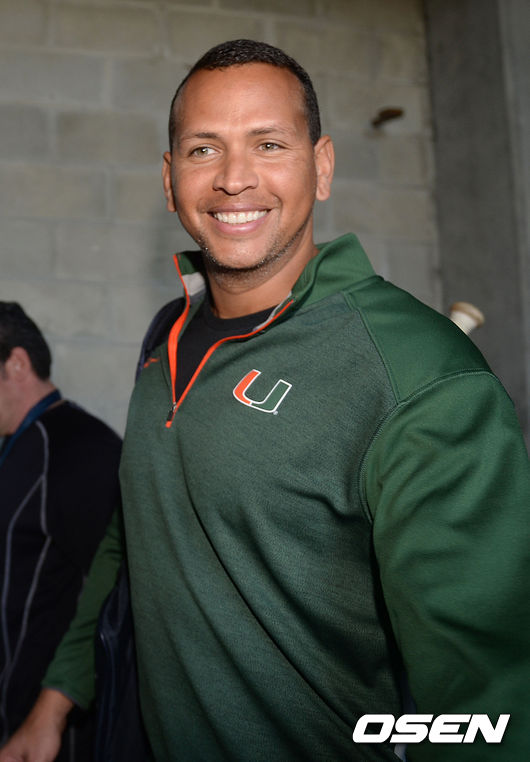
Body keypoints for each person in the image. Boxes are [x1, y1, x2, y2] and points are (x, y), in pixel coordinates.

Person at [1, 39, 529, 762]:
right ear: (169, 180)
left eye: (269, 144)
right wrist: (56, 700)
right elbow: (131, 533)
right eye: (203, 150)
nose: (234, 178)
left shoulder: (419, 377)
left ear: (322, 166)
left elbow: (488, 705)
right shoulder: (166, 342)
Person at [0, 303, 121, 761]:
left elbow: (112, 595)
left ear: (16, 363)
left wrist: (50, 711)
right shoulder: (21, 444)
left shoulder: (80, 448)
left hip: (51, 730)